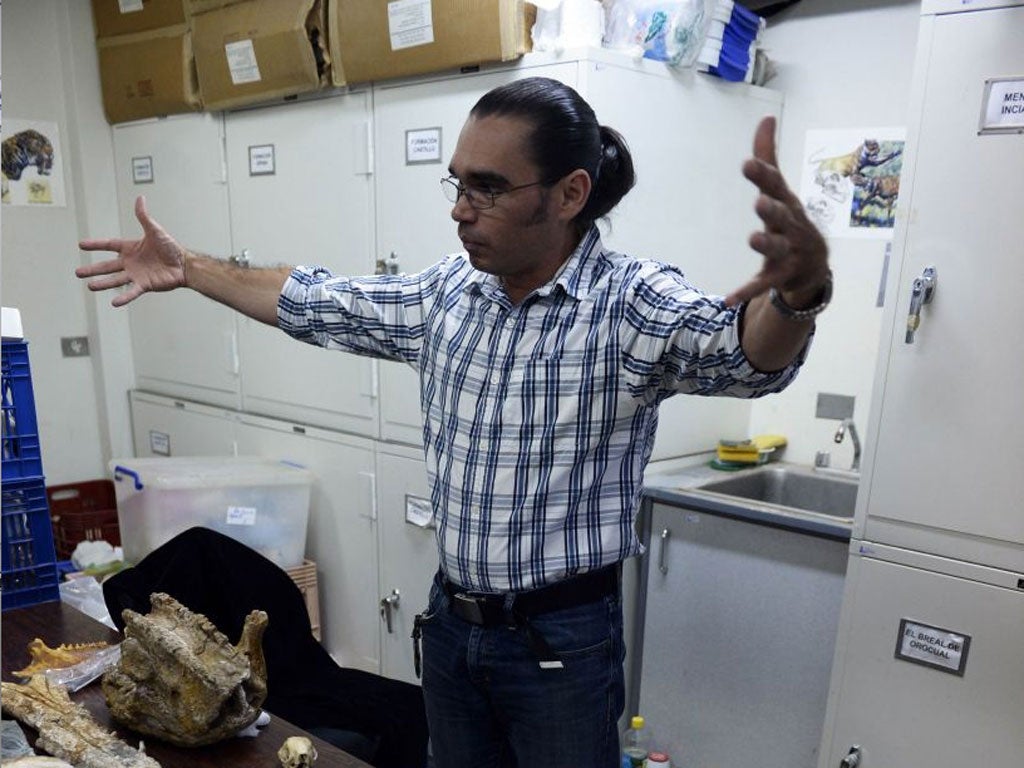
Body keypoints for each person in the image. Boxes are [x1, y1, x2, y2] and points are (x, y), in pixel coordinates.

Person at [77, 77, 829, 768]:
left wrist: (799, 294)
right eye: (459, 183)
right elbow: (314, 300)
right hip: (452, 627)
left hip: (561, 645)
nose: (460, 209)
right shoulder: (449, 294)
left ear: (570, 194)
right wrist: (190, 268)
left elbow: (742, 355)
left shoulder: (627, 302)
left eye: (489, 189)